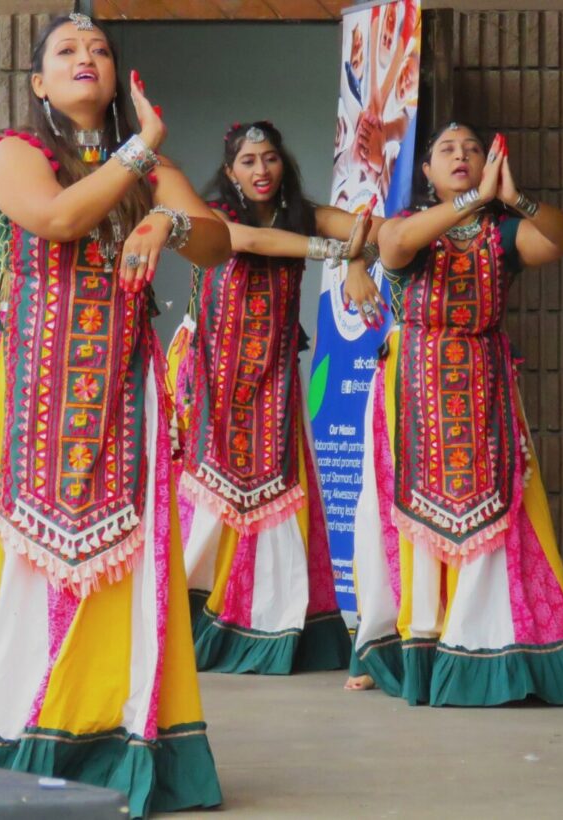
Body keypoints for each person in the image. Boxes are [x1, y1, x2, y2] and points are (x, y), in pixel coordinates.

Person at [0, 14, 229, 818]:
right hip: (18, 399)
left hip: (121, 399)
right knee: (14, 577)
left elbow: (216, 243)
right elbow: (60, 220)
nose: (86, 58)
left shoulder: (145, 163)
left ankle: (109, 737)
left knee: (125, 576)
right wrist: (141, 154)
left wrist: (168, 216)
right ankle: (10, 742)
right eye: (66, 50)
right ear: (37, 82)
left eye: (99, 48)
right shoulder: (14, 155)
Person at [346, 121, 563, 705]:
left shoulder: (503, 233)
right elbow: (395, 248)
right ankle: (406, 648)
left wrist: (515, 202)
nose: (461, 155)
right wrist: (470, 202)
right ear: (426, 172)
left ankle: (486, 645)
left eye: (473, 149)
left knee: (499, 514)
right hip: (411, 387)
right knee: (404, 520)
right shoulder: (409, 226)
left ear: (489, 164)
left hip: (484, 387)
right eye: (446, 150)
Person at [168, 120, 383, 675]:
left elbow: (371, 229)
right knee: (204, 500)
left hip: (273, 382)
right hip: (211, 377)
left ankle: (268, 626)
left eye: (269, 159)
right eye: (248, 161)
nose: (260, 170)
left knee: (276, 501)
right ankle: (184, 624)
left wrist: (356, 255)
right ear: (229, 170)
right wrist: (339, 252)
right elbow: (250, 242)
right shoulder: (214, 216)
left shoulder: (304, 214)